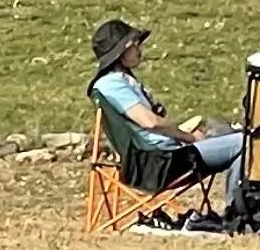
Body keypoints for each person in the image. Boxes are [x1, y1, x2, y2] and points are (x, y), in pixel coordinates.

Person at [89, 19, 242, 181]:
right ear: (121, 52)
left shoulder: (117, 82)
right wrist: (188, 137)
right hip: (160, 164)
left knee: (228, 133)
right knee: (246, 143)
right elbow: (150, 122)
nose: (139, 49)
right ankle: (240, 205)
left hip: (157, 158)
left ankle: (244, 202)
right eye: (134, 44)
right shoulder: (111, 84)